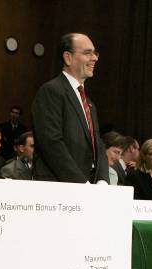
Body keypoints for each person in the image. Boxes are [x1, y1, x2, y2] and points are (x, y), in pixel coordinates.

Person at [31, 33, 109, 184]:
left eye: (95, 53)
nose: (95, 58)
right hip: (60, 190)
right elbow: (51, 143)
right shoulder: (51, 91)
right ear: (68, 57)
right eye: (87, 53)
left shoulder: (89, 103)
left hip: (88, 190)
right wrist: (80, 183)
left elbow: (97, 144)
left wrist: (102, 180)